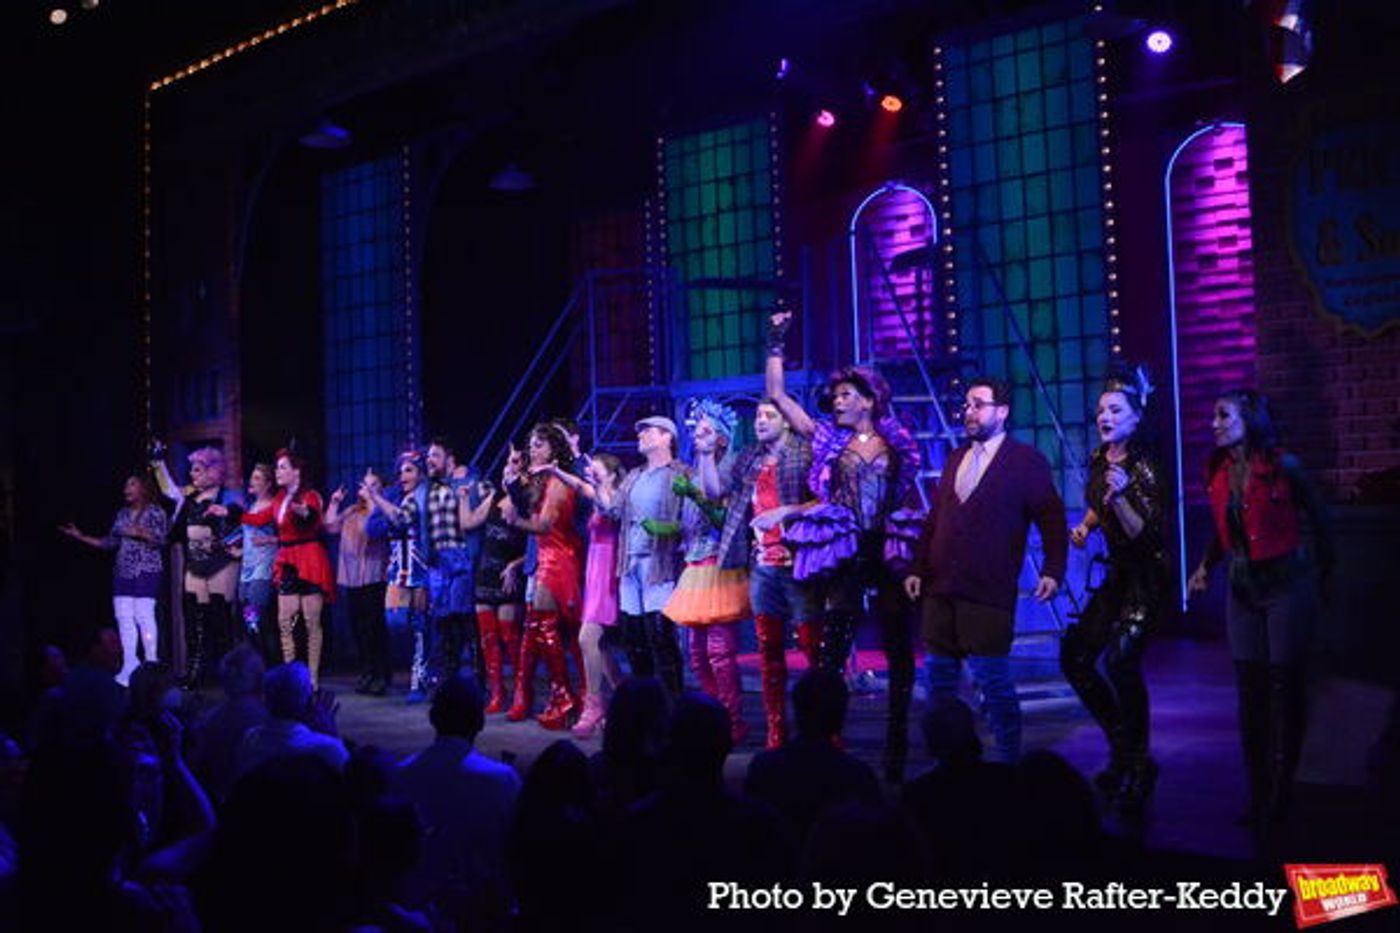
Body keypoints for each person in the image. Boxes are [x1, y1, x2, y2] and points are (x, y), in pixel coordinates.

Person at [766, 311, 924, 781]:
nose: (837, 401)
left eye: (846, 395)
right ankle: (820, 744)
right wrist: (776, 341)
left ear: (869, 400)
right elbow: (778, 395)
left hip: (887, 549)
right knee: (833, 650)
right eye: (835, 396)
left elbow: (906, 492)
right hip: (848, 550)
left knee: (898, 649)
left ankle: (896, 746)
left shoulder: (897, 440)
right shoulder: (827, 437)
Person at [1187, 389, 1333, 831]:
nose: (1214, 424)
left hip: (1286, 584)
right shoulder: (1218, 470)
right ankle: (1258, 794)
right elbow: (1224, 531)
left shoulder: (1284, 466)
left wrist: (1323, 578)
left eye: (1223, 416)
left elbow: (1321, 522)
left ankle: (1283, 792)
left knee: (1284, 687)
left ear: (1249, 420)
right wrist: (1205, 567)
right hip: (1243, 589)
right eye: (1214, 417)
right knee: (1251, 693)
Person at [906, 376, 1068, 765]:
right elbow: (935, 519)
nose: (970, 412)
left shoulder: (1025, 461)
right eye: (967, 405)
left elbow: (1051, 519)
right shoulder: (956, 458)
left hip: (987, 591)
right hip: (941, 588)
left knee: (992, 682)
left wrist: (1052, 569)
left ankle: (1007, 762)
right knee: (939, 683)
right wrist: (917, 567)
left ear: (1002, 411)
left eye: (979, 404)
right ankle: (945, 761)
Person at [1060, 369, 1169, 811]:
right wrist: (1086, 526)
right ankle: (1122, 748)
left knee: (1121, 662)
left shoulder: (1145, 465)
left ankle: (1139, 764)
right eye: (1102, 409)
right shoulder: (1100, 458)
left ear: (1137, 417)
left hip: (1147, 575)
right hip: (1117, 574)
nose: (1105, 417)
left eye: (1116, 410)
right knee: (1075, 657)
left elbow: (1144, 534)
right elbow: (1097, 502)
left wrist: (1121, 498)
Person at [705, 397, 819, 749]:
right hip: (763, 567)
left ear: (786, 421)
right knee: (769, 651)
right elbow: (714, 491)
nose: (761, 421)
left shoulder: (805, 452)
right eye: (757, 415)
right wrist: (705, 454)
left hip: (799, 564)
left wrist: (787, 511)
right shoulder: (749, 456)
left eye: (769, 415)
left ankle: (820, 729)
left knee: (813, 649)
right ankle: (776, 729)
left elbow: (828, 499)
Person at [391, 675, 521, 922]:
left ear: (432, 718)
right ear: (480, 721)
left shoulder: (400, 775)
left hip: (417, 909)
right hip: (484, 914)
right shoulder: (503, 779)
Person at [667, 397, 751, 743]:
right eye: (697, 431)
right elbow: (691, 524)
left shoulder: (733, 468)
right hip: (695, 566)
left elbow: (718, 505)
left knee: (719, 652)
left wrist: (703, 458)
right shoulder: (693, 470)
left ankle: (732, 720)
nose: (698, 436)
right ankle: (712, 716)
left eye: (706, 432)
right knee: (697, 656)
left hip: (721, 566)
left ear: (721, 438)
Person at [500, 423, 584, 729]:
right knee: (539, 626)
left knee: (557, 629)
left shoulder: (558, 482)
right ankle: (562, 694)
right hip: (545, 557)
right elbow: (516, 494)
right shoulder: (541, 479)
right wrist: (512, 476)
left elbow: (545, 526)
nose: (532, 450)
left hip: (558, 558)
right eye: (531, 444)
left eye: (539, 445)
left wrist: (516, 522)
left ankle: (569, 697)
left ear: (554, 449)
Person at [60, 473, 168, 686]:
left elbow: (162, 540)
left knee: (143, 615)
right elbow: (109, 543)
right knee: (124, 618)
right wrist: (80, 536)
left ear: (144, 488)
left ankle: (151, 663)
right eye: (126, 485)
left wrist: (141, 533)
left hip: (146, 570)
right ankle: (130, 663)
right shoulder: (122, 514)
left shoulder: (156, 512)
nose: (126, 489)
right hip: (122, 572)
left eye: (132, 484)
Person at [152, 445, 245, 689]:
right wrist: (158, 461)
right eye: (192, 470)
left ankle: (227, 674)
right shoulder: (188, 499)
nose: (193, 474)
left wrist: (225, 523)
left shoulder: (229, 496)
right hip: (195, 566)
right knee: (194, 621)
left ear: (213, 471)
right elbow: (168, 490)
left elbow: (242, 524)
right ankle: (195, 673)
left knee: (220, 621)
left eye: (198, 470)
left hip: (221, 566)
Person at [241, 449, 335, 687]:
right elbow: (259, 518)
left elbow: (313, 517)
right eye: (277, 467)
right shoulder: (279, 499)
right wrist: (231, 512)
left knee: (311, 624)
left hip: (309, 560)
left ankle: (312, 679)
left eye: (283, 467)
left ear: (296, 472)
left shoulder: (310, 495)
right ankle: (291, 677)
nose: (278, 471)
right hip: (287, 561)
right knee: (285, 623)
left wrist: (304, 513)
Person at [608, 415, 687, 696]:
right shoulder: (634, 475)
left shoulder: (679, 473)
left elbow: (688, 520)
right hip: (630, 563)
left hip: (659, 564)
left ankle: (673, 701)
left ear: (667, 437)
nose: (640, 435)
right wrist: (597, 485)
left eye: (648, 431)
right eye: (640, 432)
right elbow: (612, 510)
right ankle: (645, 700)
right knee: (634, 637)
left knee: (661, 635)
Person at [548, 451, 626, 737]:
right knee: (600, 647)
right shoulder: (597, 492)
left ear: (612, 474)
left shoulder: (616, 497)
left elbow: (606, 506)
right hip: (594, 571)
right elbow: (580, 485)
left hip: (608, 572)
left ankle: (594, 706)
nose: (591, 473)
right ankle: (625, 700)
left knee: (587, 638)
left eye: (598, 469)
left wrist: (595, 480)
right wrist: (555, 471)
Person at [369, 450, 432, 703]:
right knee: (395, 621)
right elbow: (372, 527)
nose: (403, 475)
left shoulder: (426, 496)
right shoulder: (391, 496)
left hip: (422, 568)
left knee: (421, 629)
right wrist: (388, 514)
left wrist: (388, 511)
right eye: (401, 470)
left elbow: (406, 520)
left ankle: (420, 680)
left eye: (409, 470)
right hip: (397, 570)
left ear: (420, 473)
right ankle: (420, 670)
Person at [424, 438, 488, 689]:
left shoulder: (470, 483)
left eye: (435, 455)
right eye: (429, 456)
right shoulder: (432, 488)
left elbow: (490, 495)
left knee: (466, 620)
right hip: (438, 564)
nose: (429, 460)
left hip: (462, 560)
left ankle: (478, 680)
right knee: (444, 623)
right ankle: (449, 681)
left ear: (449, 460)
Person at [472, 445, 529, 714]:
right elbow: (469, 522)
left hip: (509, 576)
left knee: (509, 638)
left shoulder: (528, 499)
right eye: (508, 461)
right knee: (488, 639)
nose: (510, 466)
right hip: (486, 574)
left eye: (516, 461)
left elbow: (537, 543)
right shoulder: (495, 496)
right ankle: (497, 692)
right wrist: (464, 498)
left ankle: (520, 693)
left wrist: (516, 565)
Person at [326, 470, 391, 695]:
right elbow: (330, 526)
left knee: (375, 628)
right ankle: (367, 671)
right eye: (365, 484)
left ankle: (380, 674)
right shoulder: (352, 510)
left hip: (373, 577)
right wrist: (334, 503)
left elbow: (373, 532)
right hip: (352, 578)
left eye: (373, 485)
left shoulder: (380, 512)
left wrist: (374, 499)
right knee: (358, 628)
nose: (366, 488)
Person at [233, 462, 279, 665]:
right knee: (247, 615)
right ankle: (255, 661)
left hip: (264, 566)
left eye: (257, 478)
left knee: (256, 614)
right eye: (252, 477)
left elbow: (287, 536)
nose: (252, 481)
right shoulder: (251, 507)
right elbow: (250, 537)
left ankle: (267, 662)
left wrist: (269, 539)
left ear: (268, 484)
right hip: (247, 567)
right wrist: (240, 550)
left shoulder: (274, 507)